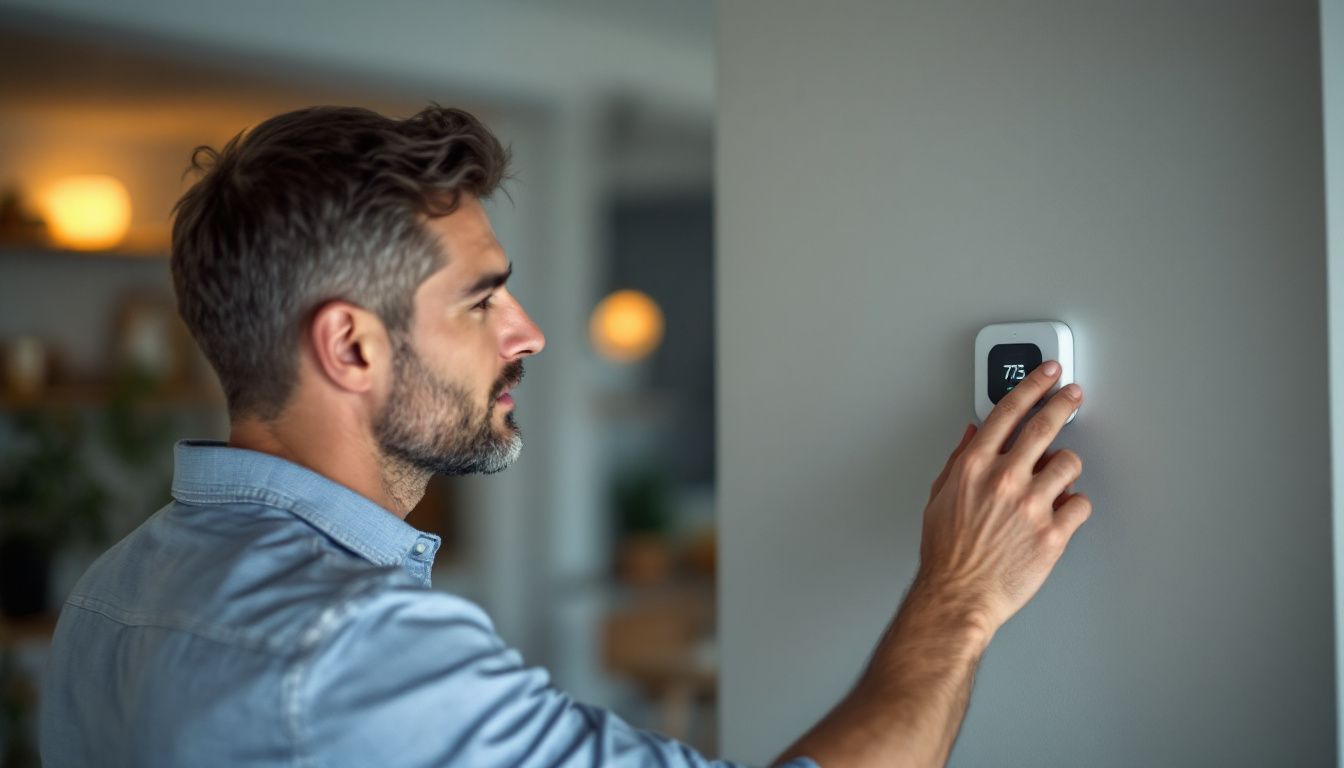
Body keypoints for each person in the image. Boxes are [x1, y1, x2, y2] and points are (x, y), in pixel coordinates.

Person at [39, 105, 1089, 768]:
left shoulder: (110, 594)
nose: (530, 333)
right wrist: (958, 601)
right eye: (483, 301)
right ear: (351, 349)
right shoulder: (359, 646)